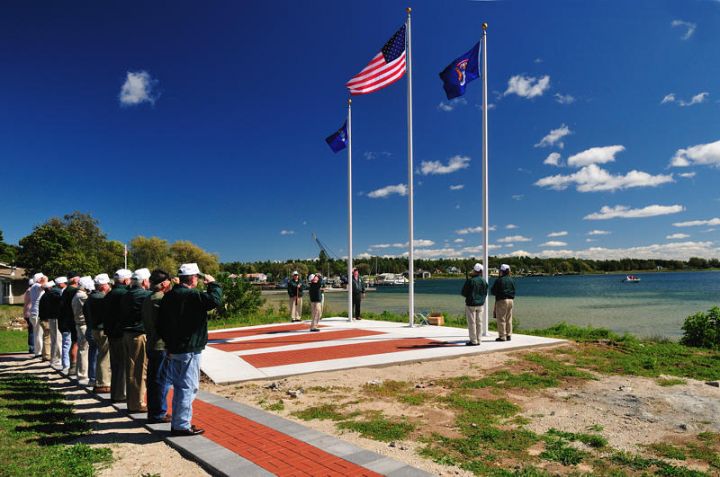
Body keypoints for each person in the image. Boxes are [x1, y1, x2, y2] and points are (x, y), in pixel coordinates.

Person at [159, 263, 222, 436]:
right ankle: (181, 425)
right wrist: (213, 285)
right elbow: (214, 301)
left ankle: (179, 421)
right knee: (188, 386)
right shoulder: (192, 295)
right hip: (189, 348)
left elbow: (161, 323)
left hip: (175, 347)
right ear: (193, 278)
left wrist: (168, 343)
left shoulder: (169, 296)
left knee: (179, 385)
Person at [142, 269, 173, 424]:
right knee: (162, 380)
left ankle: (153, 411)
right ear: (163, 283)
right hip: (161, 345)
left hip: (151, 342)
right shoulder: (162, 298)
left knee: (153, 380)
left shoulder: (148, 298)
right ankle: (159, 413)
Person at [120, 268, 152, 413]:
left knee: (131, 369)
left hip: (126, 334)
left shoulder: (126, 294)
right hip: (138, 335)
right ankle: (138, 403)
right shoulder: (145, 295)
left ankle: (132, 401)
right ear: (145, 281)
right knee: (139, 370)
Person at [104, 268, 132, 402]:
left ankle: (115, 393)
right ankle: (121, 394)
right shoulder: (124, 293)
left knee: (115, 364)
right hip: (120, 333)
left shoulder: (110, 293)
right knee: (122, 365)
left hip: (111, 332)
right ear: (126, 280)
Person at [85, 273, 112, 394]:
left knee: (100, 354)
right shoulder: (101, 298)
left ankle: (98, 379)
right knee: (104, 356)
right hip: (101, 329)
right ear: (102, 286)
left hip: (94, 328)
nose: (109, 287)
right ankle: (103, 382)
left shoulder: (91, 297)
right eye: (107, 285)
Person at [71, 276, 94, 385]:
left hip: (79, 324)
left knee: (82, 349)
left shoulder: (77, 294)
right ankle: (82, 374)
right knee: (84, 350)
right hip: (83, 324)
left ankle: (80, 373)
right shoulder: (82, 296)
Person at [461, 263, 489, 346]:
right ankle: (479, 339)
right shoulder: (484, 281)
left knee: (472, 323)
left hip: (471, 304)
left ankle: (473, 340)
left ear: (474, 270)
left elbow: (464, 293)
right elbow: (485, 292)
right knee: (479, 322)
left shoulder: (470, 281)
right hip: (480, 304)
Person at [59, 272, 81, 374]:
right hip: (74, 319)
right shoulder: (73, 290)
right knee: (76, 343)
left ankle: (71, 366)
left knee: (73, 342)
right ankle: (73, 366)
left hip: (68, 319)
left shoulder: (66, 290)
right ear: (75, 279)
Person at [491, 264, 516, 342]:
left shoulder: (499, 280)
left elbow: (493, 291)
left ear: (501, 271)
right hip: (511, 300)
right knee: (509, 318)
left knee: (501, 318)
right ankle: (509, 335)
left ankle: (502, 336)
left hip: (502, 300)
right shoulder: (512, 280)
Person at [49, 276, 67, 369]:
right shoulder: (56, 292)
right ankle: (56, 359)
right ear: (61, 284)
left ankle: (54, 358)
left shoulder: (53, 291)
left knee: (54, 339)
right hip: (55, 317)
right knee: (57, 339)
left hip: (53, 317)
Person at [28, 273, 47, 357]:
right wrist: (45, 280)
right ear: (39, 279)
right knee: (39, 334)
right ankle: (38, 352)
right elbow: (43, 286)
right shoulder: (36, 286)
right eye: (42, 277)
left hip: (34, 313)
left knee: (37, 333)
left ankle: (38, 351)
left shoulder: (34, 286)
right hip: (37, 313)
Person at [37, 280, 56, 360]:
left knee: (46, 337)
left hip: (43, 319)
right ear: (50, 288)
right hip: (46, 320)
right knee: (48, 337)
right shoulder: (48, 297)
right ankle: (47, 355)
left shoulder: (44, 296)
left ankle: (45, 354)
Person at [23, 278, 34, 354]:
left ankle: (31, 347)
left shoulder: (27, 291)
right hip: (31, 313)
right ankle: (33, 347)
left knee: (30, 331)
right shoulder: (32, 291)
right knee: (33, 331)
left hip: (27, 313)